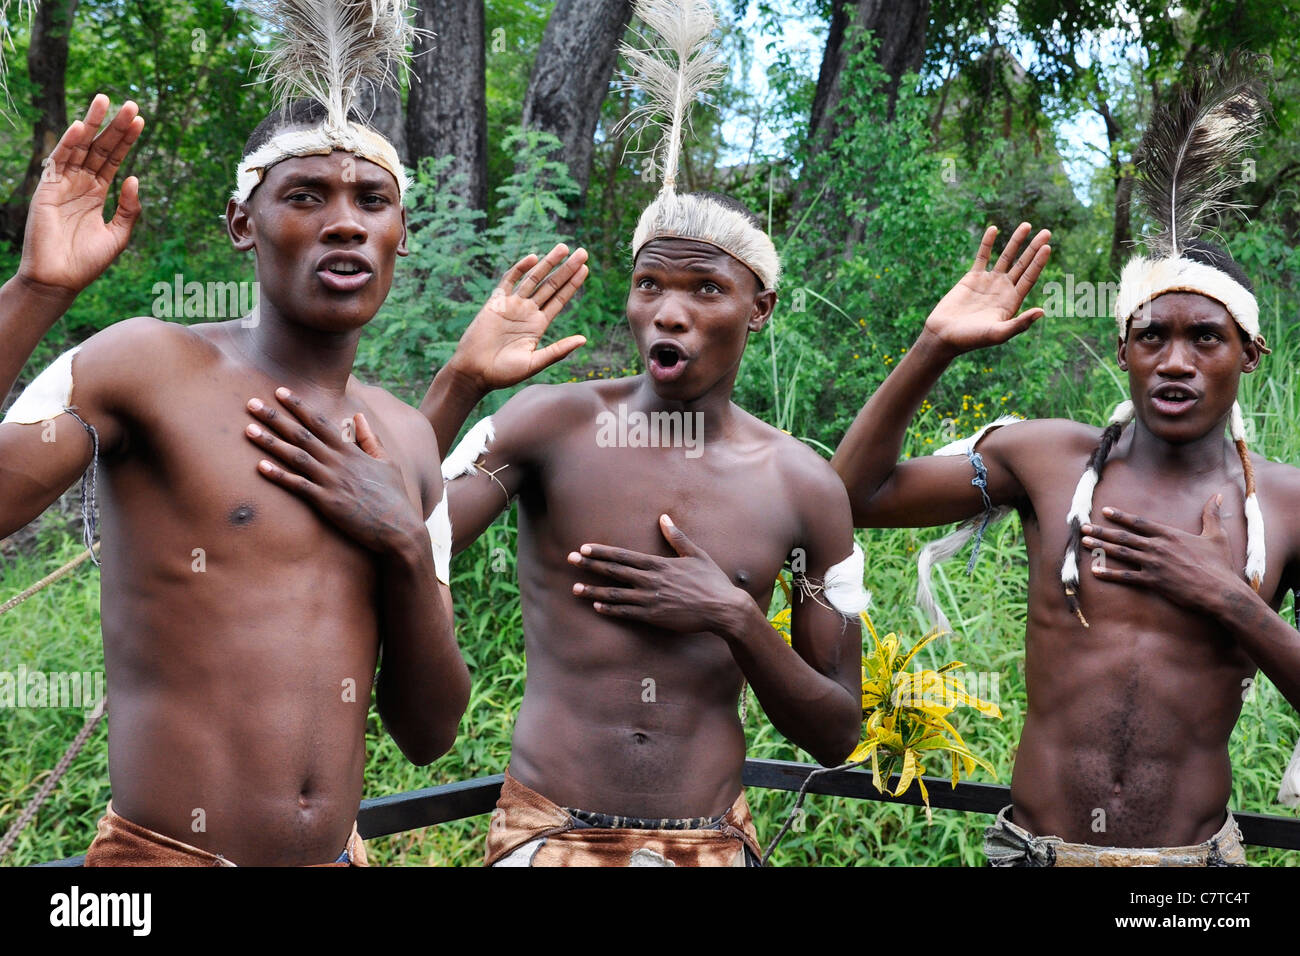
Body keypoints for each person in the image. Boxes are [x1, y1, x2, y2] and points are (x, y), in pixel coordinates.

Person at [0, 85, 501, 865]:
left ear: (399, 234)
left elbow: (430, 733)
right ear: (244, 222)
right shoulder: (146, 365)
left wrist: (401, 538)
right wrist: (38, 291)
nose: (346, 222)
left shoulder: (403, 440)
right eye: (306, 195)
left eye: (373, 200)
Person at [831, 60, 1300, 864]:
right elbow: (855, 496)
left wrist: (1232, 600)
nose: (1176, 361)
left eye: (1206, 338)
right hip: (1034, 852)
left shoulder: (1285, 506)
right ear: (1123, 349)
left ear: (1250, 355)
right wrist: (932, 349)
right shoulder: (1048, 461)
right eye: (1152, 335)